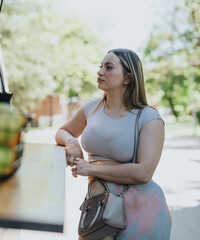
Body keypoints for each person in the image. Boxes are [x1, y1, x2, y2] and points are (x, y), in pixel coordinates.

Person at [55, 48, 172, 240]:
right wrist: (71, 142)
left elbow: (144, 173)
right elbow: (62, 131)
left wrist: (91, 169)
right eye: (100, 66)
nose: (100, 72)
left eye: (108, 67)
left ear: (128, 78)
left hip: (141, 208)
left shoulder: (149, 118)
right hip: (98, 202)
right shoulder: (92, 107)